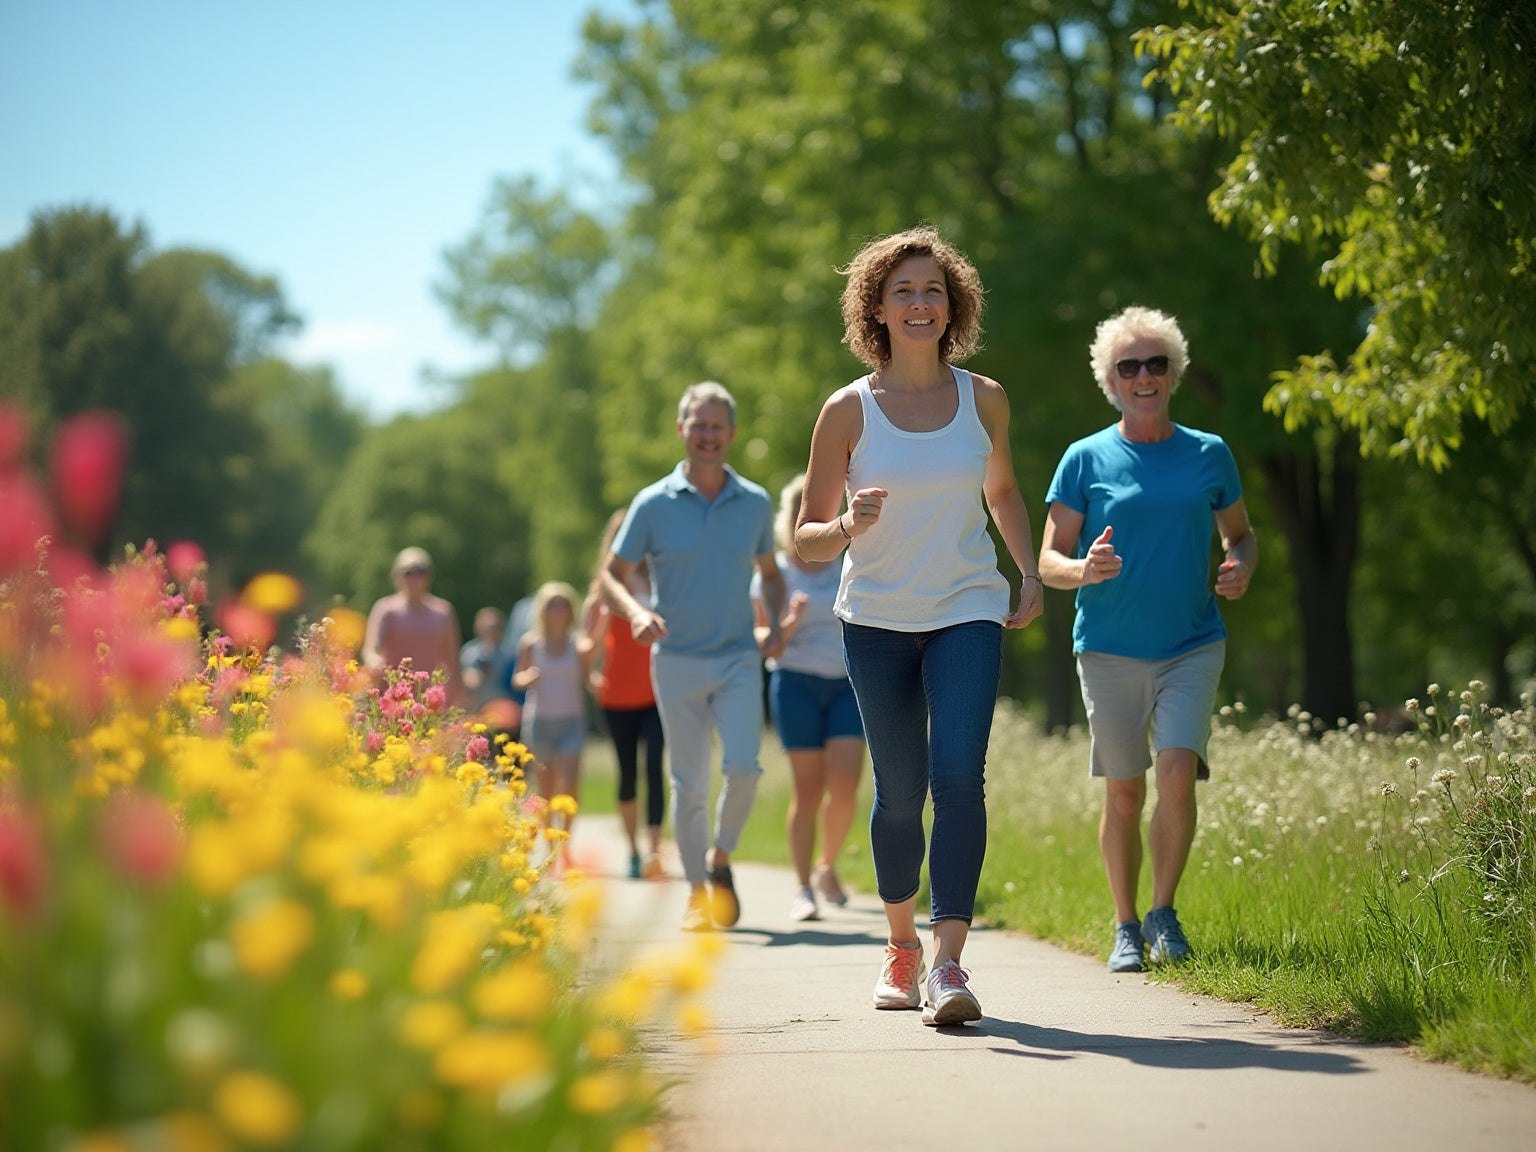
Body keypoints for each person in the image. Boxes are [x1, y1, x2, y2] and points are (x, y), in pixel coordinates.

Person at [795, 227, 1043, 1027]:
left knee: (958, 777)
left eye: (932, 289)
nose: (919, 303)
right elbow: (804, 534)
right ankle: (899, 946)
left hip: (967, 605)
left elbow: (1001, 491)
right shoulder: (847, 411)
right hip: (875, 617)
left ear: (953, 304)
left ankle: (948, 964)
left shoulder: (986, 398)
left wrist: (1029, 569)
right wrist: (845, 527)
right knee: (899, 794)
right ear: (877, 306)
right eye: (903, 290)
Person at [1038, 305, 1256, 974]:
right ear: (1110, 379)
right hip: (1107, 646)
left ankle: (1164, 910)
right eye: (1127, 367)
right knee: (1125, 792)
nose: (1142, 376)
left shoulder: (1208, 453)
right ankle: (1126, 923)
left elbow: (1241, 535)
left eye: (1154, 364)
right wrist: (1084, 570)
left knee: (1177, 772)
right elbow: (1049, 560)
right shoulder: (1085, 458)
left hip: (1192, 641)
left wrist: (1240, 566)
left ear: (1173, 373)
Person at [600, 381, 786, 932]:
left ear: (731, 434)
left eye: (717, 427)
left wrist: (774, 623)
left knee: (744, 767)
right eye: (697, 425)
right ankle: (697, 892)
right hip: (675, 658)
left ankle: (720, 859)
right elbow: (610, 577)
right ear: (682, 430)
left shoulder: (753, 501)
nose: (708, 435)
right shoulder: (652, 503)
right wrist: (635, 612)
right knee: (687, 782)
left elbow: (771, 576)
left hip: (735, 656)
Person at [753, 474, 866, 923]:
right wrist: (791, 622)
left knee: (844, 786)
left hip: (846, 684)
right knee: (807, 789)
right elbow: (767, 643)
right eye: (808, 505)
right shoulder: (776, 571)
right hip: (795, 682)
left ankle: (826, 867)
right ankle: (802, 887)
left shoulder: (850, 559)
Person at [583, 509, 668, 881]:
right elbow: (586, 650)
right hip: (617, 696)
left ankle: (654, 850)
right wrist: (605, 617)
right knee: (628, 772)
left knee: (654, 767)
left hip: (656, 690)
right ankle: (633, 850)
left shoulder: (657, 583)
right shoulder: (601, 593)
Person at [512, 581, 592, 846]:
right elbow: (517, 679)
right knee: (545, 789)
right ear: (542, 611)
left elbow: (589, 675)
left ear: (571, 612)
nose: (558, 610)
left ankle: (565, 843)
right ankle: (549, 843)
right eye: (552, 605)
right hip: (540, 722)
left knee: (569, 786)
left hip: (571, 721)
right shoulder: (531, 643)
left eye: (563, 605)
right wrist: (528, 678)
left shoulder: (577, 644)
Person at [362, 546, 463, 702]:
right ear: (396, 577)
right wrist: (374, 663)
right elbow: (372, 650)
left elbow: (451, 659)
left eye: (421, 571)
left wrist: (457, 697)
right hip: (394, 697)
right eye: (408, 572)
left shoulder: (443, 611)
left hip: (431, 699)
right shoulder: (385, 609)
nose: (415, 578)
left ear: (429, 577)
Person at [461, 606, 521, 744]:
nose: (491, 632)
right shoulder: (469, 653)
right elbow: (463, 680)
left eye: (495, 627)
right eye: (487, 628)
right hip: (476, 713)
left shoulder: (511, 655)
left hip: (506, 718)